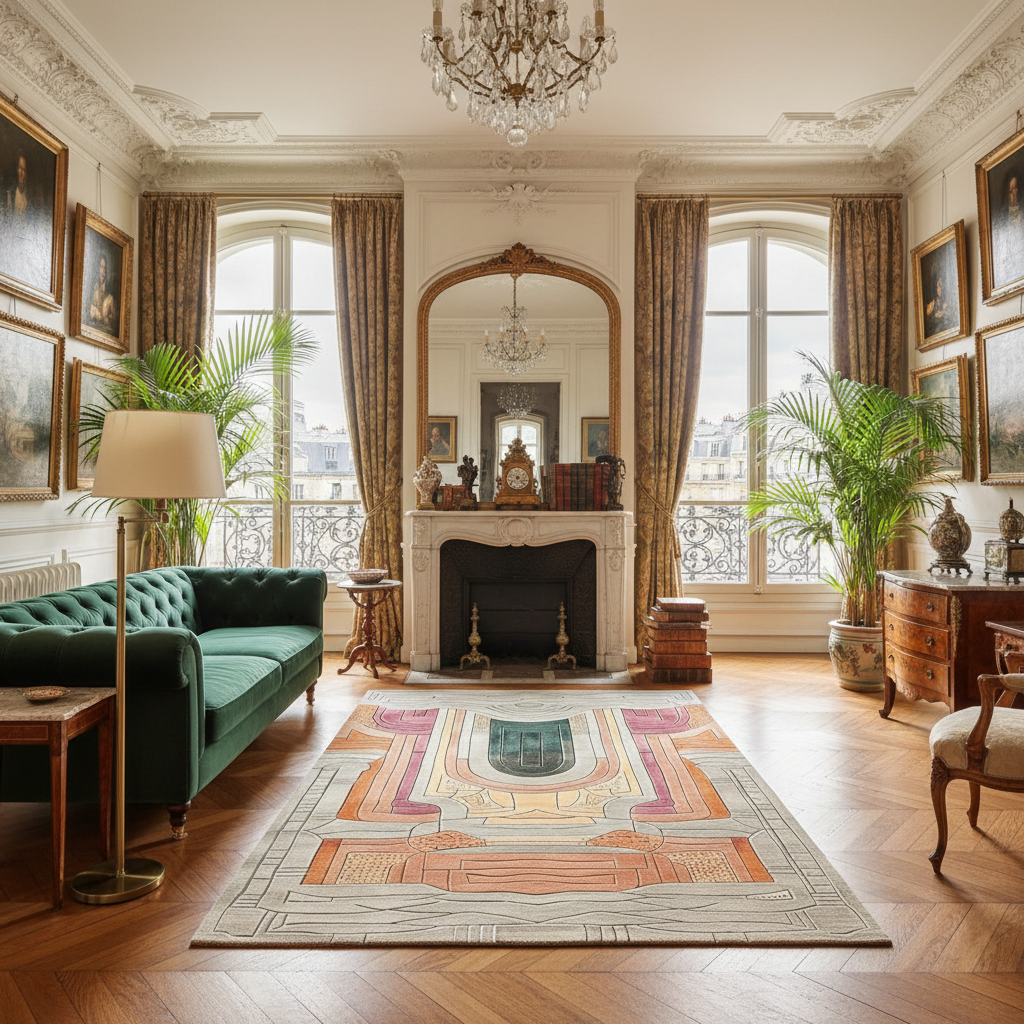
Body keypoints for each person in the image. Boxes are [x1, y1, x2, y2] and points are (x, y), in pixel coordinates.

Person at [87, 254, 118, 333]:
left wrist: (105, 318)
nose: (103, 271)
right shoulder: (92, 290)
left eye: (104, 268)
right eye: (101, 267)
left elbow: (113, 323)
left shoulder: (110, 297)